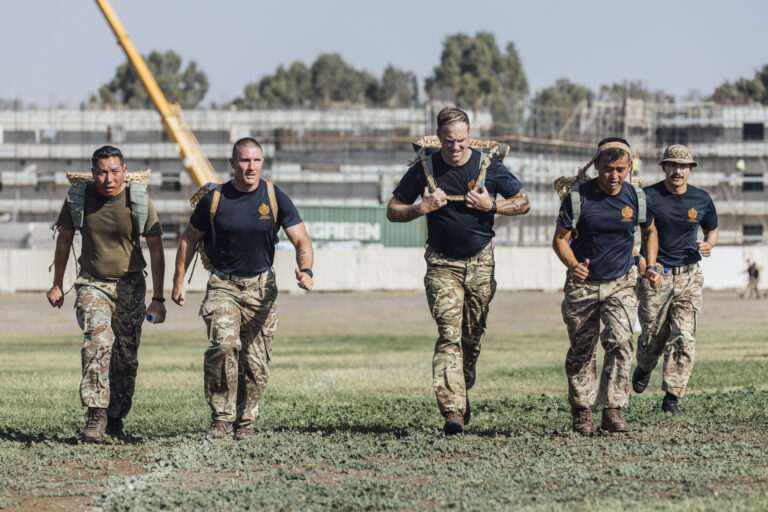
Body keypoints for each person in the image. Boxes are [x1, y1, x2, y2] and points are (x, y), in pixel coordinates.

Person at [386, 107, 530, 435]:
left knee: (472, 335)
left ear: (469, 136)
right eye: (449, 141)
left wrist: (491, 205)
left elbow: (523, 201)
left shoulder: (489, 167)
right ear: (439, 138)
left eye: (461, 141)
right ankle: (452, 410)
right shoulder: (424, 169)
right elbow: (392, 211)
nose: (455, 148)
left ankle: (462, 384)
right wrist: (420, 208)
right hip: (441, 264)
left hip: (481, 262)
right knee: (448, 336)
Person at [172, 137, 314, 441]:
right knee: (224, 346)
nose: (251, 167)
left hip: (261, 289)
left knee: (256, 362)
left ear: (262, 163)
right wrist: (178, 281)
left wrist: (306, 269)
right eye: (245, 160)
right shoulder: (215, 199)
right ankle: (221, 418)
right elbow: (188, 238)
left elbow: (301, 240)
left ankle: (245, 422)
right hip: (223, 285)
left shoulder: (275, 197)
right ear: (233, 163)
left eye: (257, 160)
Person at [47, 145, 166, 443]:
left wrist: (159, 297)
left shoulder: (138, 199)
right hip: (93, 283)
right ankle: (96, 414)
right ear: (92, 174)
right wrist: (58, 283)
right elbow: (64, 241)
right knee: (98, 342)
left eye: (114, 171)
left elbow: (156, 248)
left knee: (126, 357)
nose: (108, 178)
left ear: (125, 172)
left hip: (130, 284)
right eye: (101, 172)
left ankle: (115, 416)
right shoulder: (79, 198)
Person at [552, 137, 660, 435]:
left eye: (621, 169)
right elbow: (559, 239)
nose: (614, 175)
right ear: (597, 165)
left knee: (621, 342)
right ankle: (582, 411)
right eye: (608, 168)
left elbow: (650, 232)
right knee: (582, 349)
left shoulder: (636, 198)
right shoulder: (577, 197)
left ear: (629, 168)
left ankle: (613, 409)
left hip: (621, 283)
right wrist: (573, 264)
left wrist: (650, 265)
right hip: (583, 286)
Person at [632, 144, 718, 416]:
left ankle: (671, 398)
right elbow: (625, 233)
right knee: (652, 339)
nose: (678, 170)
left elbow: (712, 229)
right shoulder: (648, 196)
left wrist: (709, 244)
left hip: (689, 277)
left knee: (684, 336)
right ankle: (644, 366)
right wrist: (642, 264)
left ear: (690, 170)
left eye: (683, 166)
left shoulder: (702, 199)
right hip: (656, 277)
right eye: (672, 165)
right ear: (664, 168)